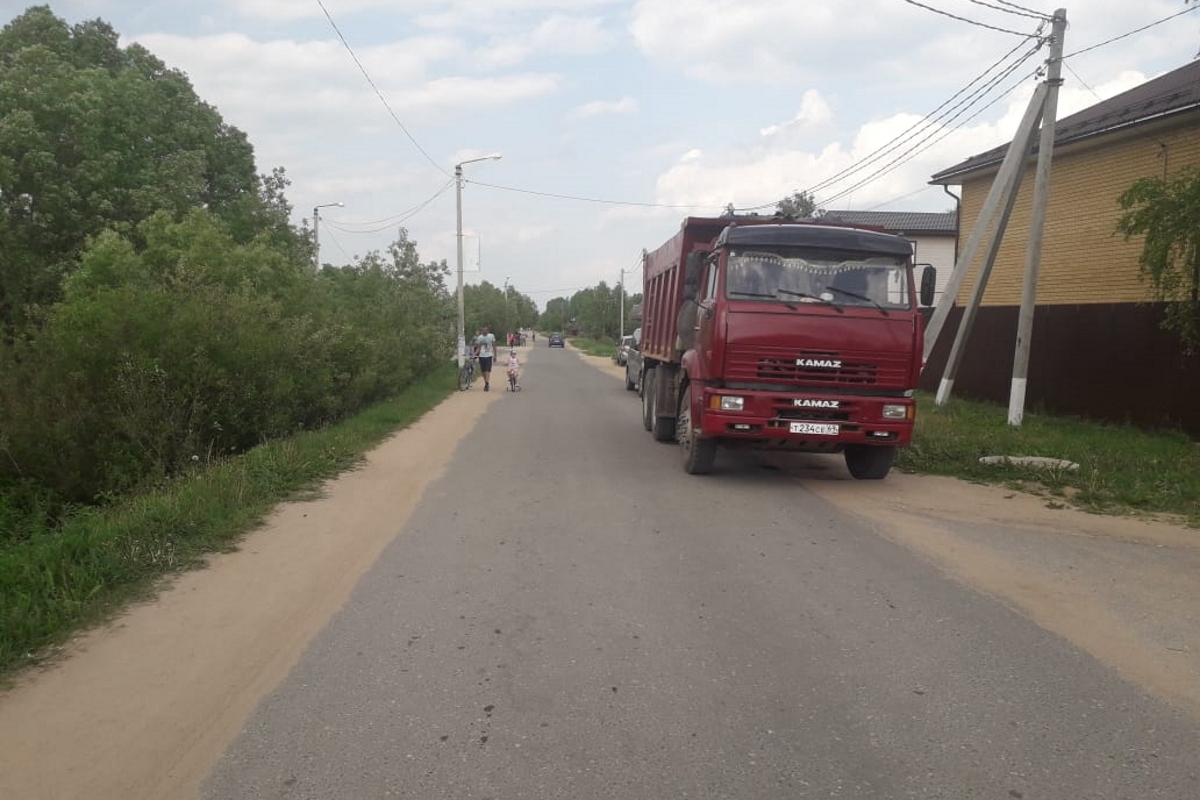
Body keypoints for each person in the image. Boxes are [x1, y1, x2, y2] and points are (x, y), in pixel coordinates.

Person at [473, 325, 497, 391]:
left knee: (487, 370)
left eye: (486, 330)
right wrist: (475, 354)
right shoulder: (479, 337)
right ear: (482, 331)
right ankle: (486, 382)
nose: (484, 331)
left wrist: (495, 355)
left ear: (488, 331)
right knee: (483, 371)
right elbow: (478, 348)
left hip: (489, 355)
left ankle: (486, 383)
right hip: (481, 356)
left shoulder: (491, 336)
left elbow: (494, 346)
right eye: (483, 330)